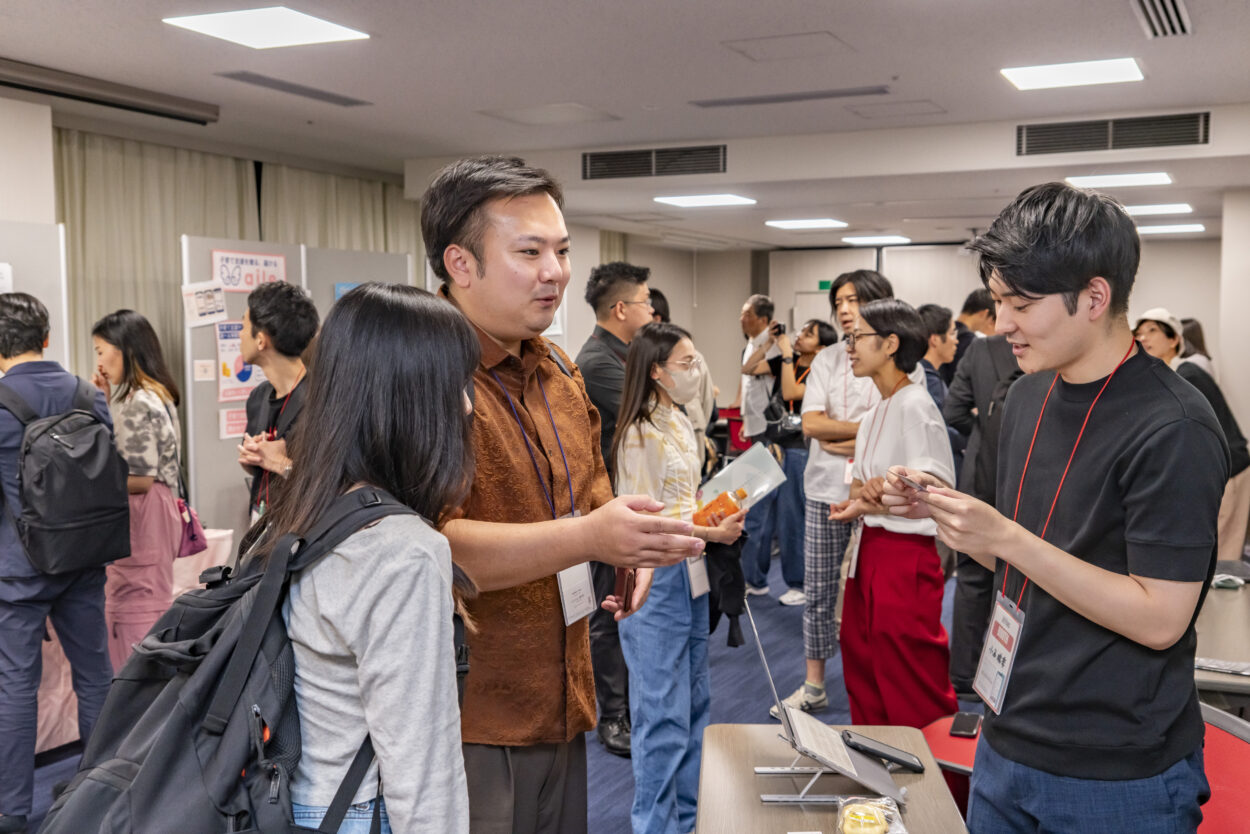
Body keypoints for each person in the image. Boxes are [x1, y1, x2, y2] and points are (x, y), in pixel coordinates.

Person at [885, 182, 1227, 833]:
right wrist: (949, 515)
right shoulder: (1026, 396)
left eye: (1021, 304)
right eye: (997, 301)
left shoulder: (1174, 425)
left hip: (1116, 769)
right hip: (1009, 732)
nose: (1001, 323)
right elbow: (1031, 557)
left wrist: (1005, 538)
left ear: (1094, 298)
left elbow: (1160, 618)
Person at [419, 155, 702, 834]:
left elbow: (591, 492)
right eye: (529, 252)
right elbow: (426, 546)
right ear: (460, 264)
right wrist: (589, 537)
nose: (556, 271)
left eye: (562, 250)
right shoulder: (424, 376)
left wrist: (623, 549)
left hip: (562, 694)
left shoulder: (556, 370)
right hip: (471, 713)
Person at [252, 283, 475, 832]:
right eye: (455, 384)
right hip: (358, 811)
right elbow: (421, 768)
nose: (468, 406)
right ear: (410, 399)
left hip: (296, 798)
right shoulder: (404, 551)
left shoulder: (304, 508)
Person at [612, 322, 745, 834]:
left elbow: (683, 501)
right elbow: (645, 521)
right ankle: (655, 824)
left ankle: (688, 819)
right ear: (656, 371)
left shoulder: (680, 420)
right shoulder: (639, 432)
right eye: (687, 364)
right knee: (661, 713)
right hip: (655, 577)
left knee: (694, 701)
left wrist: (716, 512)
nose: (696, 372)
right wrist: (711, 532)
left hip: (690, 568)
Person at [771, 270, 918, 717]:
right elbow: (811, 424)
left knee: (877, 593)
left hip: (881, 493)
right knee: (818, 589)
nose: (844, 309)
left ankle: (880, 682)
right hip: (824, 489)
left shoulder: (902, 359)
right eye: (839, 302)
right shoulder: (828, 359)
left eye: (854, 300)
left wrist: (853, 436)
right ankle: (814, 684)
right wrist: (866, 431)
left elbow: (902, 424)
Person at [0, 293, 114, 834]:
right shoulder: (89, 395)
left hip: (17, 568)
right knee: (95, 677)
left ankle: (12, 811)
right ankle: (100, 791)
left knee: (15, 686)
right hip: (83, 558)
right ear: (46, 338)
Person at [829, 299, 958, 728]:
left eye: (857, 337)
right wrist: (862, 500)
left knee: (909, 673)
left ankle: (932, 767)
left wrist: (880, 492)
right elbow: (860, 486)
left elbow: (936, 489)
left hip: (905, 553)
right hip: (870, 547)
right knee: (863, 661)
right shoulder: (875, 411)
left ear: (890, 344)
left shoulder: (915, 404)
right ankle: (879, 759)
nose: (849, 347)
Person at [575, 260, 654, 758]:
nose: (652, 312)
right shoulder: (598, 362)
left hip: (624, 501)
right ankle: (613, 716)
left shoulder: (623, 355)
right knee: (607, 613)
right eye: (646, 303)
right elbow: (654, 409)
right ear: (621, 309)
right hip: (605, 506)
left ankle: (624, 707)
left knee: (622, 605)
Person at [90, 310, 184, 672]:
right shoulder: (158, 395)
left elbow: (140, 477)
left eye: (101, 351)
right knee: (150, 604)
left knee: (134, 610)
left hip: (143, 515)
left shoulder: (138, 402)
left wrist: (91, 482)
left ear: (125, 350)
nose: (99, 362)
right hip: (159, 511)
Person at [1134, 307, 1249, 563]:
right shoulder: (1168, 377)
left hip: (1230, 469)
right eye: (1139, 333)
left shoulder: (1188, 374)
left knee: (1223, 554)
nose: (1143, 338)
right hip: (1213, 471)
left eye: (1152, 331)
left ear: (1174, 339)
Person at [942, 333, 1020, 698]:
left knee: (972, 575)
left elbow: (953, 411)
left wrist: (981, 426)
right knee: (1021, 575)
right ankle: (1006, 675)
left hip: (979, 475)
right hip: (1024, 477)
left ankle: (965, 673)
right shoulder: (1050, 347)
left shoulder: (981, 349)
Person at [766, 319, 837, 606]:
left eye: (809, 334)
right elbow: (749, 368)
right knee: (781, 516)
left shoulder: (822, 372)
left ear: (821, 348)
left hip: (802, 449)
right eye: (802, 330)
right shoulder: (790, 361)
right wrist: (770, 343)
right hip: (780, 444)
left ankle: (800, 582)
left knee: (795, 516)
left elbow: (790, 393)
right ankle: (792, 580)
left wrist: (785, 354)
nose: (799, 336)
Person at [236, 281, 319, 522]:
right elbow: (259, 468)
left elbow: (332, 486)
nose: (240, 335)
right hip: (261, 522)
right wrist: (254, 457)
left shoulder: (320, 400)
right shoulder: (258, 397)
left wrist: (282, 463)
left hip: (303, 527)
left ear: (261, 340)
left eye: (243, 326)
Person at [736, 294, 782, 595]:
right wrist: (744, 419)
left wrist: (769, 344)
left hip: (769, 433)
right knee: (753, 506)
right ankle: (754, 576)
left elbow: (752, 372)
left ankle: (755, 578)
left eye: (747, 314)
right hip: (755, 430)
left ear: (763, 319)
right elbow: (749, 387)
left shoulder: (773, 346)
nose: (742, 319)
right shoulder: (751, 344)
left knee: (758, 508)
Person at [649, 288, 717, 471]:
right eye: (685, 364)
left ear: (657, 318)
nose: (691, 372)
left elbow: (707, 399)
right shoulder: (643, 362)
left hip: (693, 431)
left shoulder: (694, 355)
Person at [916, 303, 966, 474]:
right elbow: (937, 432)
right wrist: (972, 435)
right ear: (935, 339)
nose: (956, 340)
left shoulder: (922, 374)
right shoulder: (928, 379)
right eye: (952, 333)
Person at [940, 288, 995, 386]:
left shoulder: (942, 331)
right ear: (984, 314)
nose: (993, 325)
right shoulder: (971, 342)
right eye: (992, 320)